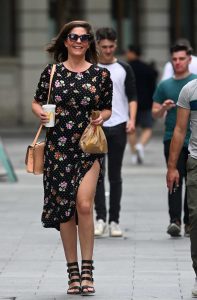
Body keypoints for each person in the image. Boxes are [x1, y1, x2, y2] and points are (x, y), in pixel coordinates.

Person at [31, 20, 112, 295]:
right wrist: (40, 112)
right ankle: (72, 273)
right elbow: (37, 100)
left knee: (84, 205)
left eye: (85, 38)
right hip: (57, 149)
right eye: (74, 37)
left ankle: (88, 270)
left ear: (90, 43)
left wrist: (102, 117)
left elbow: (107, 109)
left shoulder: (101, 76)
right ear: (65, 41)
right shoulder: (52, 72)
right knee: (65, 209)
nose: (79, 41)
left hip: (88, 148)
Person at [94, 27, 137, 237]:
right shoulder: (91, 68)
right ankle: (100, 218)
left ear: (116, 45)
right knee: (97, 175)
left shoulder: (124, 68)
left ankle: (114, 220)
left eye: (111, 46)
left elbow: (132, 96)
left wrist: (132, 120)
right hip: (97, 127)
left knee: (116, 175)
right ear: (97, 46)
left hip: (119, 125)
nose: (108, 50)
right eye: (104, 47)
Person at [152, 44, 197, 237]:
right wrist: (163, 108)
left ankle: (189, 221)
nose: (178, 62)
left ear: (189, 60)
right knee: (174, 178)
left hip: (192, 139)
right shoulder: (165, 85)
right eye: (175, 59)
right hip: (172, 137)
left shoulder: (194, 83)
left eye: (181, 59)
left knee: (191, 182)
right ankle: (175, 220)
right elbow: (154, 113)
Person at [166, 78, 197, 297]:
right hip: (196, 161)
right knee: (195, 220)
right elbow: (179, 129)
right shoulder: (190, 90)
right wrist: (172, 167)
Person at [126, 45, 158, 164]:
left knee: (131, 129)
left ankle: (134, 153)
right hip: (146, 103)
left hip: (131, 102)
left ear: (132, 53)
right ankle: (140, 145)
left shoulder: (127, 68)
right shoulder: (148, 68)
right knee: (148, 128)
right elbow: (153, 87)